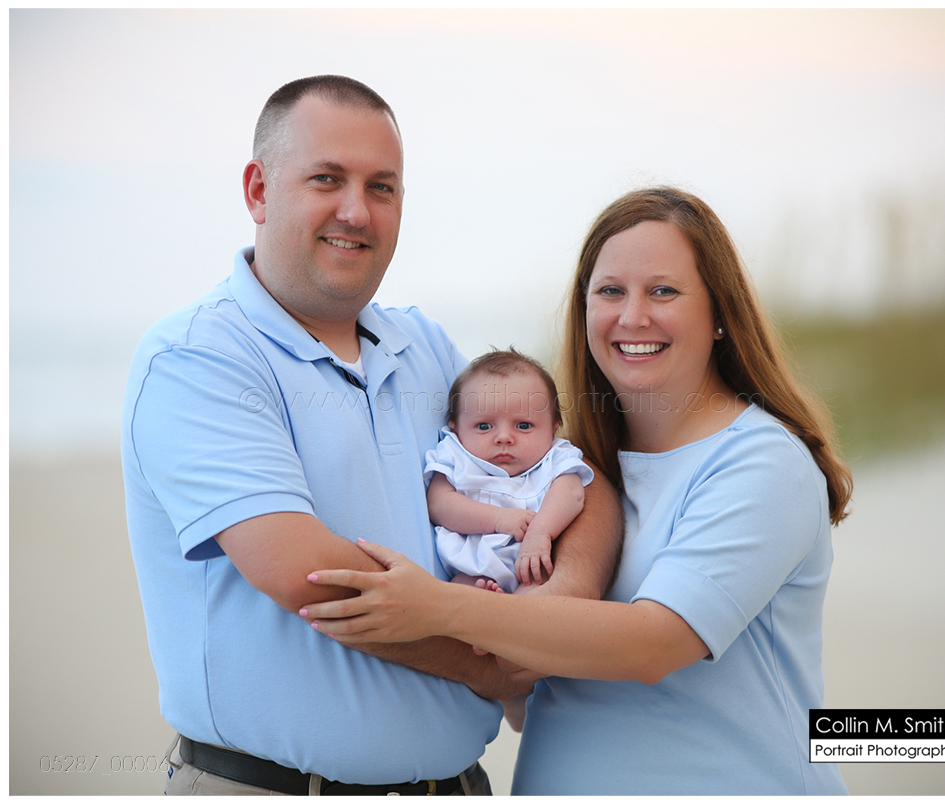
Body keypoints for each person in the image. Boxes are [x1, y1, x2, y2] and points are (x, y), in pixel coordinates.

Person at [121, 75, 621, 796]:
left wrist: (556, 610)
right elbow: (314, 581)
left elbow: (578, 477)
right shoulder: (197, 358)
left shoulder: (427, 349)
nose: (356, 211)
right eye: (327, 179)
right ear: (258, 190)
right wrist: (492, 658)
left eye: (382, 187)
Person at [302, 186, 855, 795]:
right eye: (610, 291)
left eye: (663, 291)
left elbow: (652, 645)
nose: (633, 316)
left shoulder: (759, 461)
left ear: (720, 314)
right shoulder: (566, 469)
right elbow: (529, 686)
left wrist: (436, 607)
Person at [428, 348, 594, 593]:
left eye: (524, 425)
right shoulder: (455, 454)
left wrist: (539, 534)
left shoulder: (556, 458)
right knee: (460, 590)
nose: (504, 438)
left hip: (534, 562)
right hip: (473, 568)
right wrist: (499, 519)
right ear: (455, 427)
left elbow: (572, 493)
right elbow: (439, 504)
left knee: (541, 590)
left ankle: (513, 615)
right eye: (484, 426)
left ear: (554, 428)